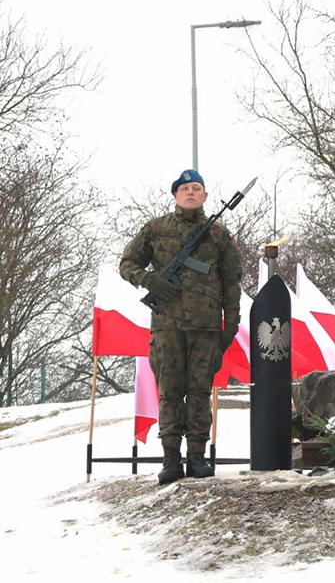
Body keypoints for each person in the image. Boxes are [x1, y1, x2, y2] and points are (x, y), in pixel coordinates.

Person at [120, 169, 243, 484]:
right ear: (175, 195)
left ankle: (198, 457)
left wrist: (230, 326)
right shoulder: (156, 229)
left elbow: (231, 283)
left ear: (204, 195)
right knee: (170, 392)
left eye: (196, 188)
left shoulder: (218, 234)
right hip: (167, 327)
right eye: (185, 188)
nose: (191, 192)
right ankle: (171, 459)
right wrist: (150, 280)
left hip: (206, 328)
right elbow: (127, 264)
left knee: (199, 392)